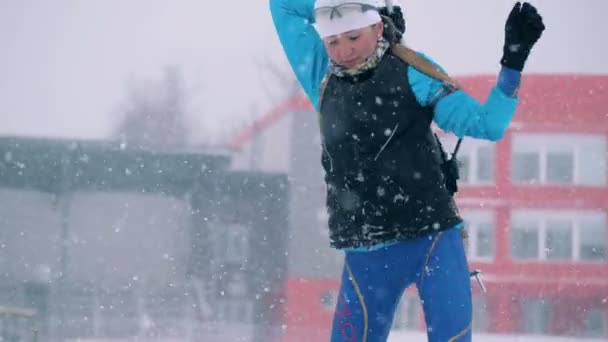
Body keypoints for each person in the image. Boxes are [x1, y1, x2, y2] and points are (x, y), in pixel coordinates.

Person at [269, 0, 545, 341]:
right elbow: (282, 6)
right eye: (333, 41)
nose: (343, 51)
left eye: (353, 37)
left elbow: (487, 124)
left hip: (432, 239)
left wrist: (512, 65)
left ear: (379, 27)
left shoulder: (413, 71)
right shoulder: (321, 77)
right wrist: (339, 4)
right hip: (365, 249)